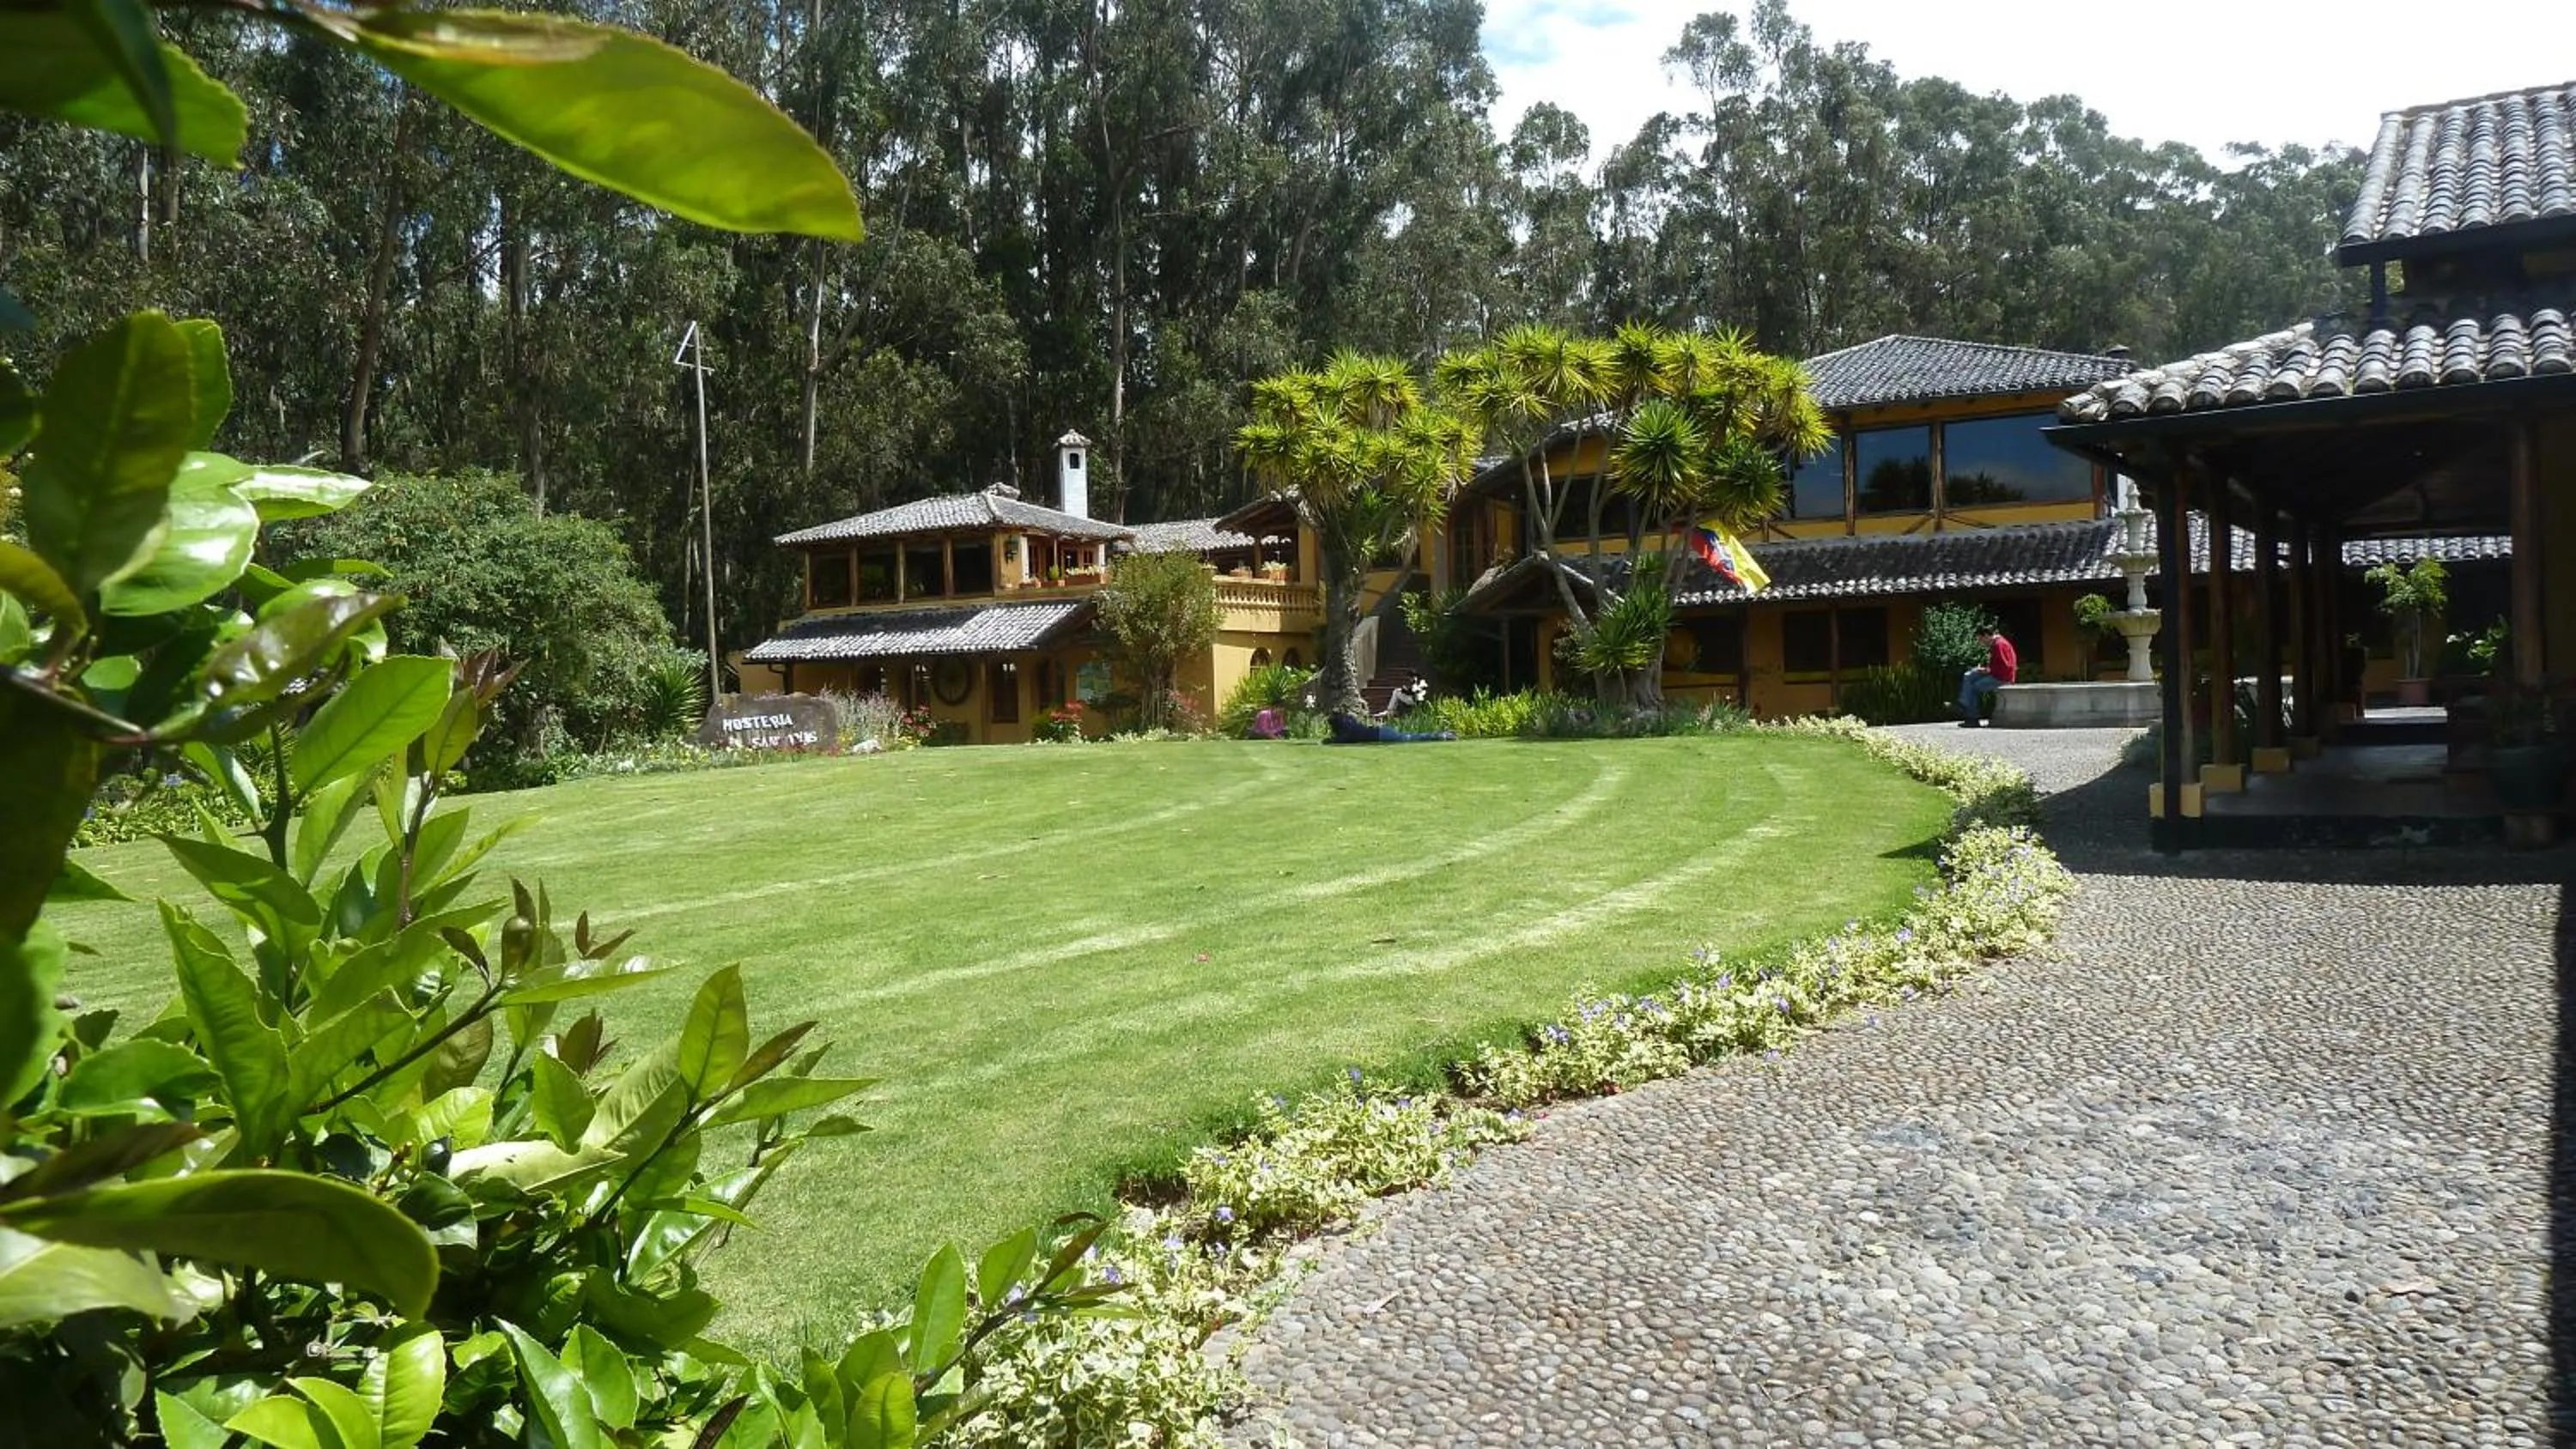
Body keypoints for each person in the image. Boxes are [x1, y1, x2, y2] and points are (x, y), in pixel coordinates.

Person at [1958, 625, 2018, 726]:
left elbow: (2005, 666)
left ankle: (1972, 718)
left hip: (2002, 678)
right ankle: (1964, 702)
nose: (1980, 642)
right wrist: (1985, 670)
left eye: (1980, 639)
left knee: (1974, 688)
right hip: (1997, 674)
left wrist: (1987, 671)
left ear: (1986, 635)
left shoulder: (2000, 645)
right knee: (1969, 675)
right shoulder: (1997, 644)